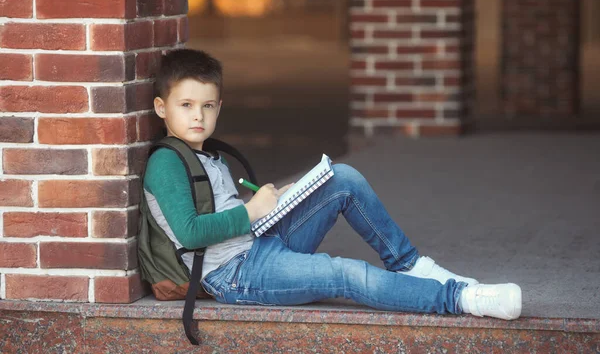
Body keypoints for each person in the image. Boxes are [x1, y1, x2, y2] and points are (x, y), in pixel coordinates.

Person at [143, 49, 522, 320]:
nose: (198, 115)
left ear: (219, 107)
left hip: (257, 244)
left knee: (342, 178)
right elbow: (190, 233)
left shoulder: (209, 154)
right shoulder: (165, 163)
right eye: (187, 105)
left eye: (208, 106)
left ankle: (409, 265)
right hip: (234, 275)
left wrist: (272, 202)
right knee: (346, 273)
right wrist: (250, 211)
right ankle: (462, 299)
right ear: (162, 108)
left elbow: (225, 211)